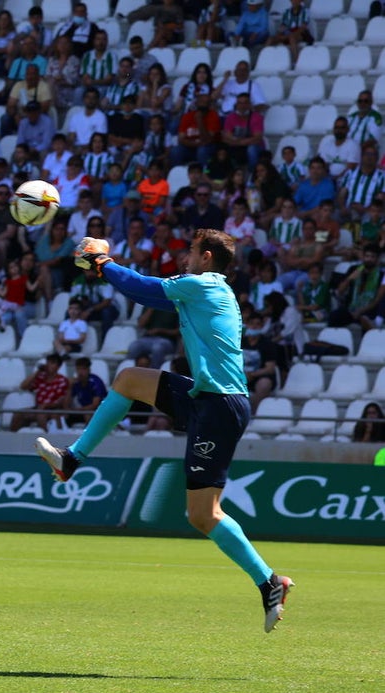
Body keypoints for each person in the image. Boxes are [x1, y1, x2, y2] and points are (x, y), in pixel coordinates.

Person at [36, 231, 294, 632]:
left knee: (202, 514)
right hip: (203, 395)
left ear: (206, 257)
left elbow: (144, 289)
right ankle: (72, 459)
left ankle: (269, 582)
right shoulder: (206, 288)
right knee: (128, 379)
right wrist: (105, 269)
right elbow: (150, 295)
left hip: (219, 407)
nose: (185, 258)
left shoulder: (202, 284)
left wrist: (102, 262)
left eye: (191, 252)